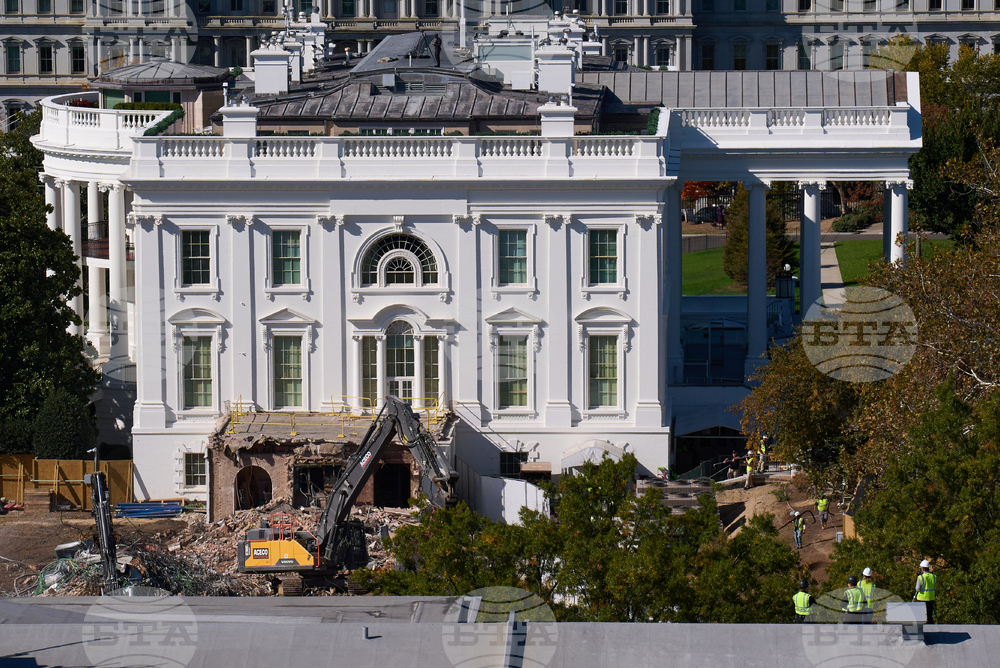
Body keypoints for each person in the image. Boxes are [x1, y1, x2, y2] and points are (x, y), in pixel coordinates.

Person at [916, 559, 936, 624]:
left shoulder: (920, 577)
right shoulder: (933, 576)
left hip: (922, 599)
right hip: (931, 598)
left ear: (922, 569)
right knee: (929, 615)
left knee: (922, 616)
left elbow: (917, 589)